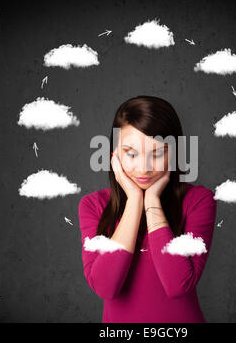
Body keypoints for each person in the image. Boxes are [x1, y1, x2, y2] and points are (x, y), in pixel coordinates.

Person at [78, 95, 217, 323]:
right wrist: (134, 199)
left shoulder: (199, 201)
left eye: (157, 153)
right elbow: (105, 288)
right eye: (131, 153)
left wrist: (151, 200)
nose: (144, 167)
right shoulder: (93, 206)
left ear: (175, 154)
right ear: (115, 156)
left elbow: (177, 285)